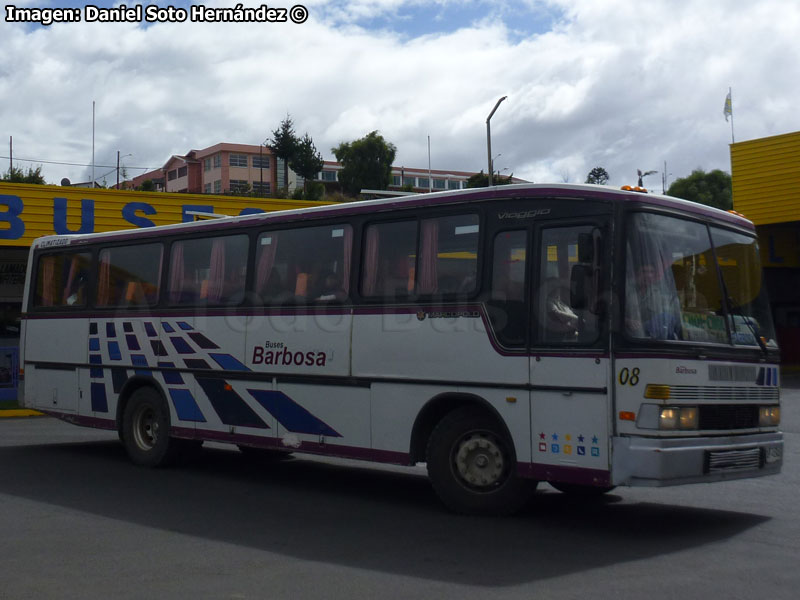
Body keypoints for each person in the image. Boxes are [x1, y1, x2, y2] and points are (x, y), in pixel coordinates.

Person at [626, 262, 682, 340]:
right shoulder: (625, 291)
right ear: (636, 274)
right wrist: (627, 321)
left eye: (651, 272)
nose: (648, 275)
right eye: (644, 272)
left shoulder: (661, 293)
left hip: (652, 338)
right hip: (628, 337)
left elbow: (667, 320)